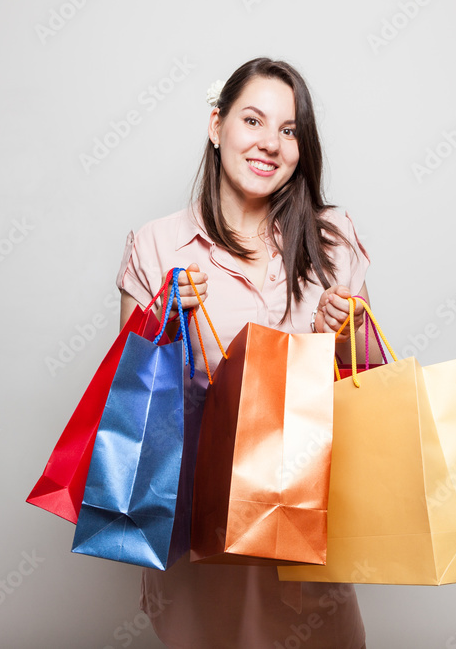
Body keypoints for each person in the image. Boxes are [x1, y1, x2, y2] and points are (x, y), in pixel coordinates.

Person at [115, 57, 379, 649]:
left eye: (289, 130)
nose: (270, 144)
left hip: (308, 528)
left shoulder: (332, 237)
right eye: (253, 120)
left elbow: (363, 391)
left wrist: (339, 331)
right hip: (204, 536)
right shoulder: (156, 245)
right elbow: (134, 410)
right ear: (217, 125)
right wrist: (167, 324)